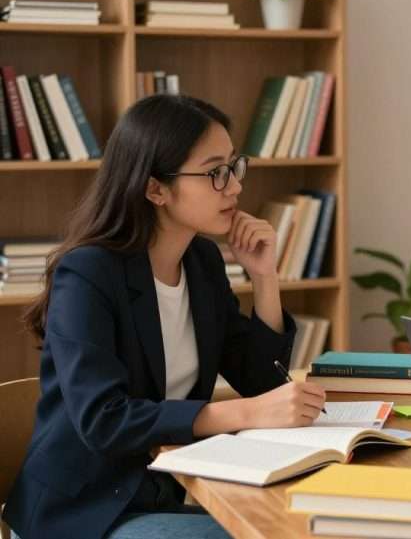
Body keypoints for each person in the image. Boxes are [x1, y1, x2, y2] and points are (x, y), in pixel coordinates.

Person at [2, 95, 327, 539]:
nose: (234, 186)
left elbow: (262, 385)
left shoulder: (202, 262)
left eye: (234, 166)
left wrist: (265, 279)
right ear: (156, 189)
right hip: (85, 513)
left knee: (301, 523)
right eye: (215, 172)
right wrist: (240, 414)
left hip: (155, 497)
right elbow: (104, 419)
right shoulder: (88, 274)